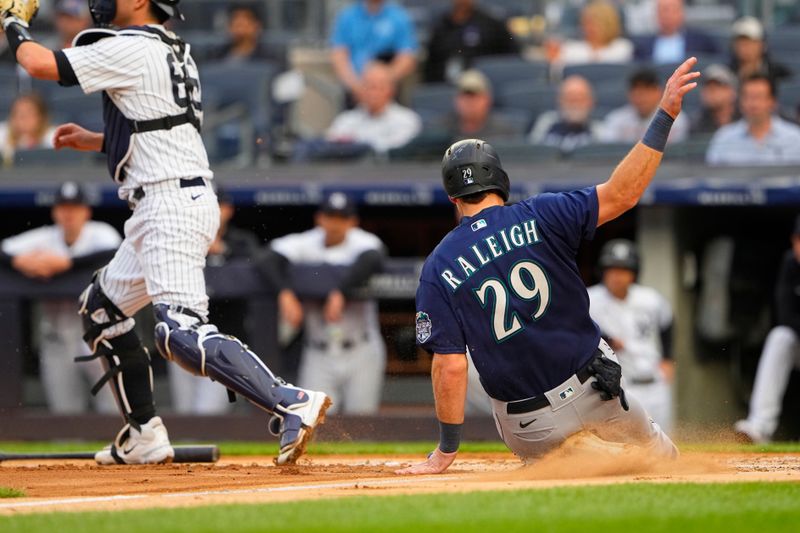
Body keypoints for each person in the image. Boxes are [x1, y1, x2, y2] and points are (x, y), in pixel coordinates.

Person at [2, 0, 330, 465]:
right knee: (101, 310)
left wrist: (12, 22)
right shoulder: (171, 46)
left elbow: (38, 63)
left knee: (180, 332)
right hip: (163, 200)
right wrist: (99, 139)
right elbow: (161, 124)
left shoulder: (132, 45)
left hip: (169, 203)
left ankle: (289, 400)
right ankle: (145, 434)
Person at [397, 57, 698, 475]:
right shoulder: (544, 213)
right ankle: (609, 454)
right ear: (500, 181)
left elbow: (449, 365)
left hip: (528, 424)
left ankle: (574, 457)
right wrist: (663, 115)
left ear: (453, 198)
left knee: (556, 466)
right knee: (665, 466)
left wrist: (446, 450)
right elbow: (624, 194)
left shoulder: (439, 264)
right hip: (598, 394)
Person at [261, 192, 387, 415]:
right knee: (315, 421)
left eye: (342, 217)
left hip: (361, 350)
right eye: (331, 216)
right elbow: (268, 257)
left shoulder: (363, 241)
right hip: (318, 353)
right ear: (320, 218)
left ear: (352, 221)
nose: (336, 224)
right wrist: (285, 293)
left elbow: (374, 257)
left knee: (363, 423)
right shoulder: (306, 242)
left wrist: (341, 293)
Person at [0, 182, 120, 414]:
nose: (69, 213)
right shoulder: (45, 237)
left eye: (75, 207)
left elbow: (113, 252)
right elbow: (4, 249)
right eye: (63, 207)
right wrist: (18, 262)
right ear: (55, 211)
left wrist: (67, 264)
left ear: (86, 211)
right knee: (64, 411)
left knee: (113, 407)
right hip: (57, 335)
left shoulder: (101, 233)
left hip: (99, 333)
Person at [168, 188, 260, 415]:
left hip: (220, 343)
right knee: (184, 415)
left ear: (228, 210)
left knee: (207, 414)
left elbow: (260, 264)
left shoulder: (242, 242)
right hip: (182, 338)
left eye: (219, 206)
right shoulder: (181, 239)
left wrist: (223, 251)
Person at [587, 240, 675, 433]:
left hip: (656, 382)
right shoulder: (590, 299)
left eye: (623, 270)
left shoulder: (649, 298)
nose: (617, 276)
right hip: (622, 384)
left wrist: (668, 358)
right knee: (627, 441)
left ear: (633, 273)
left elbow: (667, 322)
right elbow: (574, 328)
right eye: (612, 270)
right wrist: (605, 339)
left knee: (664, 439)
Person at [734, 216, 800, 444]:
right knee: (780, 337)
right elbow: (785, 314)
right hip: (798, 338)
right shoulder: (790, 263)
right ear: (793, 241)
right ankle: (759, 426)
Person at [330, 0, 417, 102]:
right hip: (355, 89)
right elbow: (339, 56)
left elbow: (406, 58)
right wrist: (357, 86)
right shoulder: (347, 16)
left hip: (387, 91)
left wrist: (380, 85)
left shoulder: (399, 17)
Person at [325, 62, 421, 154]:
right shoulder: (346, 119)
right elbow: (329, 146)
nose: (372, 93)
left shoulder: (407, 119)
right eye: (367, 86)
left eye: (377, 87)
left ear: (391, 90)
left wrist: (356, 146)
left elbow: (394, 151)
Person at [706, 73, 800, 166]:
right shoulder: (723, 138)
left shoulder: (795, 139)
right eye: (747, 97)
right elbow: (712, 178)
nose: (753, 104)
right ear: (740, 101)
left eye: (759, 97)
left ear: (773, 101)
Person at [423, 0, 518, 83]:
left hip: (482, 87)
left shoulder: (491, 24)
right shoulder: (440, 26)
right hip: (446, 86)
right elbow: (430, 65)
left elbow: (511, 56)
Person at [429, 70, 519, 143]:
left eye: (475, 96)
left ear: (488, 99)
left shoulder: (503, 132)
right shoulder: (439, 130)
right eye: (465, 96)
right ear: (456, 100)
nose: (469, 102)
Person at [602, 68, 689, 144]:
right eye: (636, 92)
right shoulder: (616, 119)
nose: (641, 97)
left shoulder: (674, 119)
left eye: (646, 91)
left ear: (659, 92)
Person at [528, 75, 603, 153]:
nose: (575, 105)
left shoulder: (599, 132)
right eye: (569, 99)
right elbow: (532, 153)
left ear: (591, 102)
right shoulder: (545, 124)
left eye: (580, 99)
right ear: (559, 101)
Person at [549, 1, 633, 67]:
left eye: (595, 24)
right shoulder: (571, 48)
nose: (589, 28)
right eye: (586, 23)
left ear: (609, 25)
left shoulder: (622, 47)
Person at [633, 0, 718, 64]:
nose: (668, 15)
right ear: (656, 14)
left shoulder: (701, 42)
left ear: (682, 13)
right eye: (664, 10)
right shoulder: (642, 46)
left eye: (673, 10)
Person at [206, 2, 283, 66]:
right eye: (235, 21)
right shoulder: (216, 57)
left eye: (245, 21)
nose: (239, 26)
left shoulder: (269, 60)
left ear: (257, 25)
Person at [729, 17, 791, 85]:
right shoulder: (726, 74)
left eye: (751, 42)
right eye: (740, 42)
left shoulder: (780, 74)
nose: (745, 47)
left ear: (762, 45)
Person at [0, 92, 56, 165]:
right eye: (17, 113)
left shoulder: (54, 136)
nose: (21, 118)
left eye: (28, 113)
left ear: (41, 117)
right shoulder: (3, 133)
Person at [690, 64, 738, 137]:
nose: (710, 91)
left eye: (717, 86)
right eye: (707, 86)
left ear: (732, 92)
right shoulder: (697, 124)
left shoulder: (745, 118)